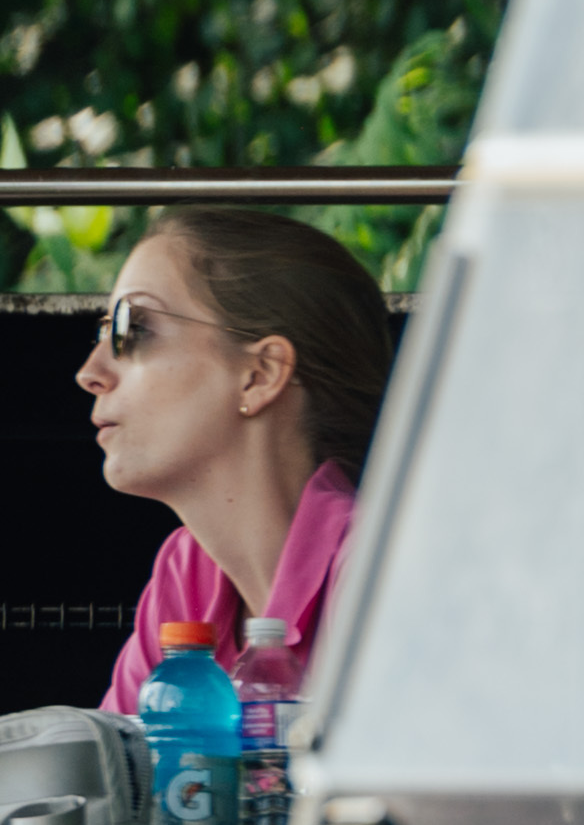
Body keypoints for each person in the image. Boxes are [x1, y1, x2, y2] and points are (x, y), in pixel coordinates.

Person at [83, 201, 386, 708]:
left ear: (260, 374)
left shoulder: (381, 577)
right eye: (102, 331)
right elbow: (115, 758)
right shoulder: (187, 577)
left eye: (132, 329)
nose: (90, 373)